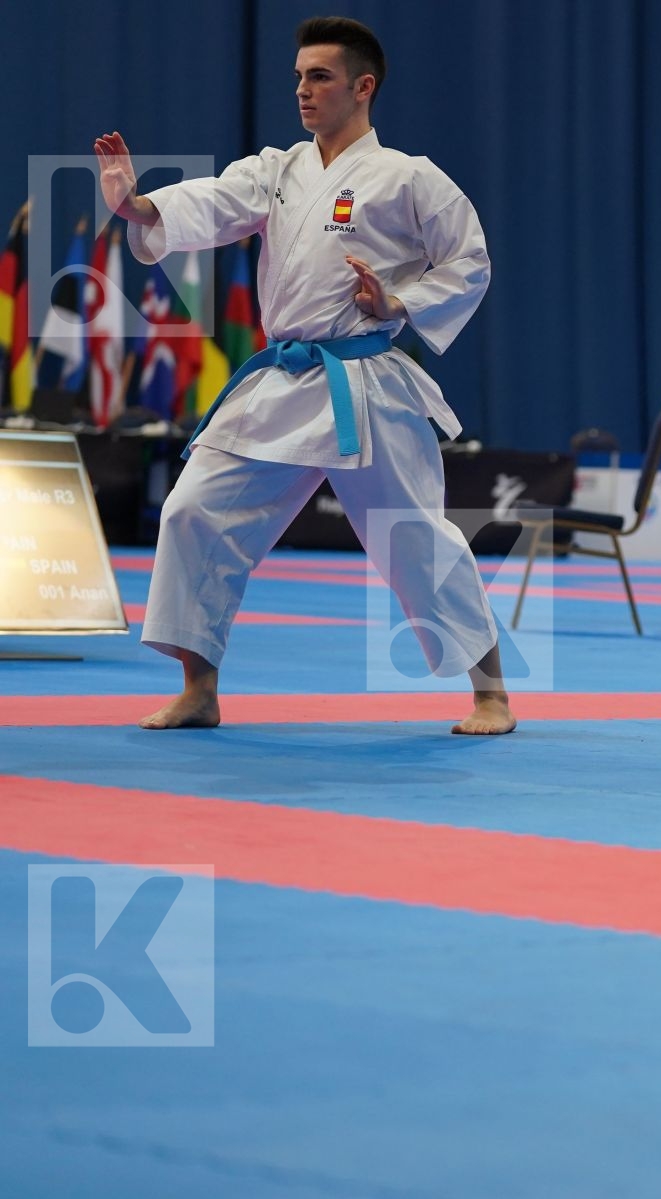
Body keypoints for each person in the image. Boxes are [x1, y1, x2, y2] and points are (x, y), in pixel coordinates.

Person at [94, 16, 514, 735]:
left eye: (318, 76)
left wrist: (400, 301)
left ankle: (491, 693)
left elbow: (470, 260)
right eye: (297, 77)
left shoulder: (408, 177)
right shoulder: (278, 170)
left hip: (364, 380)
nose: (302, 90)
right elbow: (214, 202)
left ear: (363, 86)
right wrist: (138, 205)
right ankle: (199, 689)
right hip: (282, 378)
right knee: (194, 511)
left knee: (413, 533)